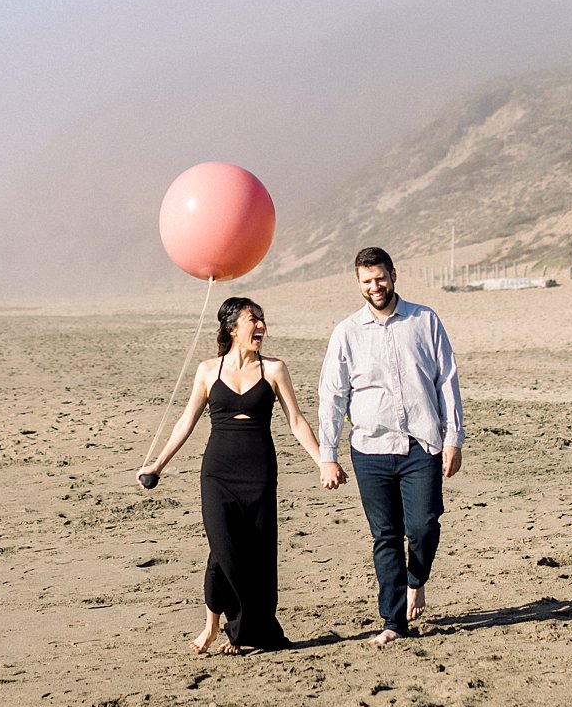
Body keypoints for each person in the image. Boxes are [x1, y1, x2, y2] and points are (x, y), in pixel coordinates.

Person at [139, 295, 337, 654]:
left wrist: (324, 461)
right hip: (218, 473)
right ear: (232, 328)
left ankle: (240, 629)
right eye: (253, 319)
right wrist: (158, 464)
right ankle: (212, 626)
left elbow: (296, 421)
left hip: (260, 471)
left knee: (258, 553)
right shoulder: (207, 370)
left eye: (262, 319)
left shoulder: (273, 369)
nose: (261, 326)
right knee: (223, 549)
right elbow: (187, 420)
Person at [317, 246, 464, 646]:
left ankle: (416, 579)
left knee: (423, 525)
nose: (374, 286)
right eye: (366, 281)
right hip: (370, 449)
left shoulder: (424, 320)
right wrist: (327, 456)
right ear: (357, 284)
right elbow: (332, 395)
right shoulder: (347, 332)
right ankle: (393, 622)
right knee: (385, 535)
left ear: (393, 275)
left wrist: (454, 437)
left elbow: (446, 381)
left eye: (380, 278)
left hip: (422, 444)